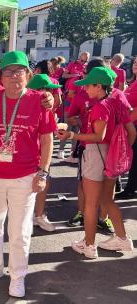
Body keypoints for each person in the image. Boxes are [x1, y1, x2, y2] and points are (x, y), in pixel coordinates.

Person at [0, 51, 55, 298]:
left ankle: (18, 275)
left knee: (20, 230)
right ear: (0, 76)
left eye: (19, 72)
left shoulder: (39, 100)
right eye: (8, 72)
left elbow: (47, 139)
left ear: (28, 75)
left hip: (24, 176)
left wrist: (43, 173)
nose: (13, 77)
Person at [57, 67, 135, 259]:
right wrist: (119, 152)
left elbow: (98, 136)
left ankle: (89, 245)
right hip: (111, 156)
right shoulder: (117, 103)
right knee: (107, 200)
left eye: (89, 86)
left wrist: (72, 134)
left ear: (99, 86)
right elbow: (131, 132)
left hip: (95, 154)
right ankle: (123, 238)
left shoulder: (100, 106)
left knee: (91, 204)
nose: (86, 89)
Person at [66, 58, 117, 232]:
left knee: (104, 189)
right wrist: (79, 123)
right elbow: (70, 117)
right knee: (85, 184)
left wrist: (121, 150)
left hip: (105, 150)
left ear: (100, 83)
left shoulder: (115, 96)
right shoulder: (82, 95)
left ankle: (100, 222)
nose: (86, 86)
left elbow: (127, 125)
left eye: (89, 81)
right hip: (88, 148)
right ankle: (85, 215)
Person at [26, 74, 63, 232]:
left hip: (43, 154)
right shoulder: (31, 105)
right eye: (48, 90)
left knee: (44, 184)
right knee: (32, 187)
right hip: (31, 155)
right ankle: (30, 218)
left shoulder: (47, 106)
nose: (53, 94)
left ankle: (38, 215)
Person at [117, 58, 137, 199]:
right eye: (135, 62)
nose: (135, 64)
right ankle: (131, 187)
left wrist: (125, 123)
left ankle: (130, 189)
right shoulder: (133, 82)